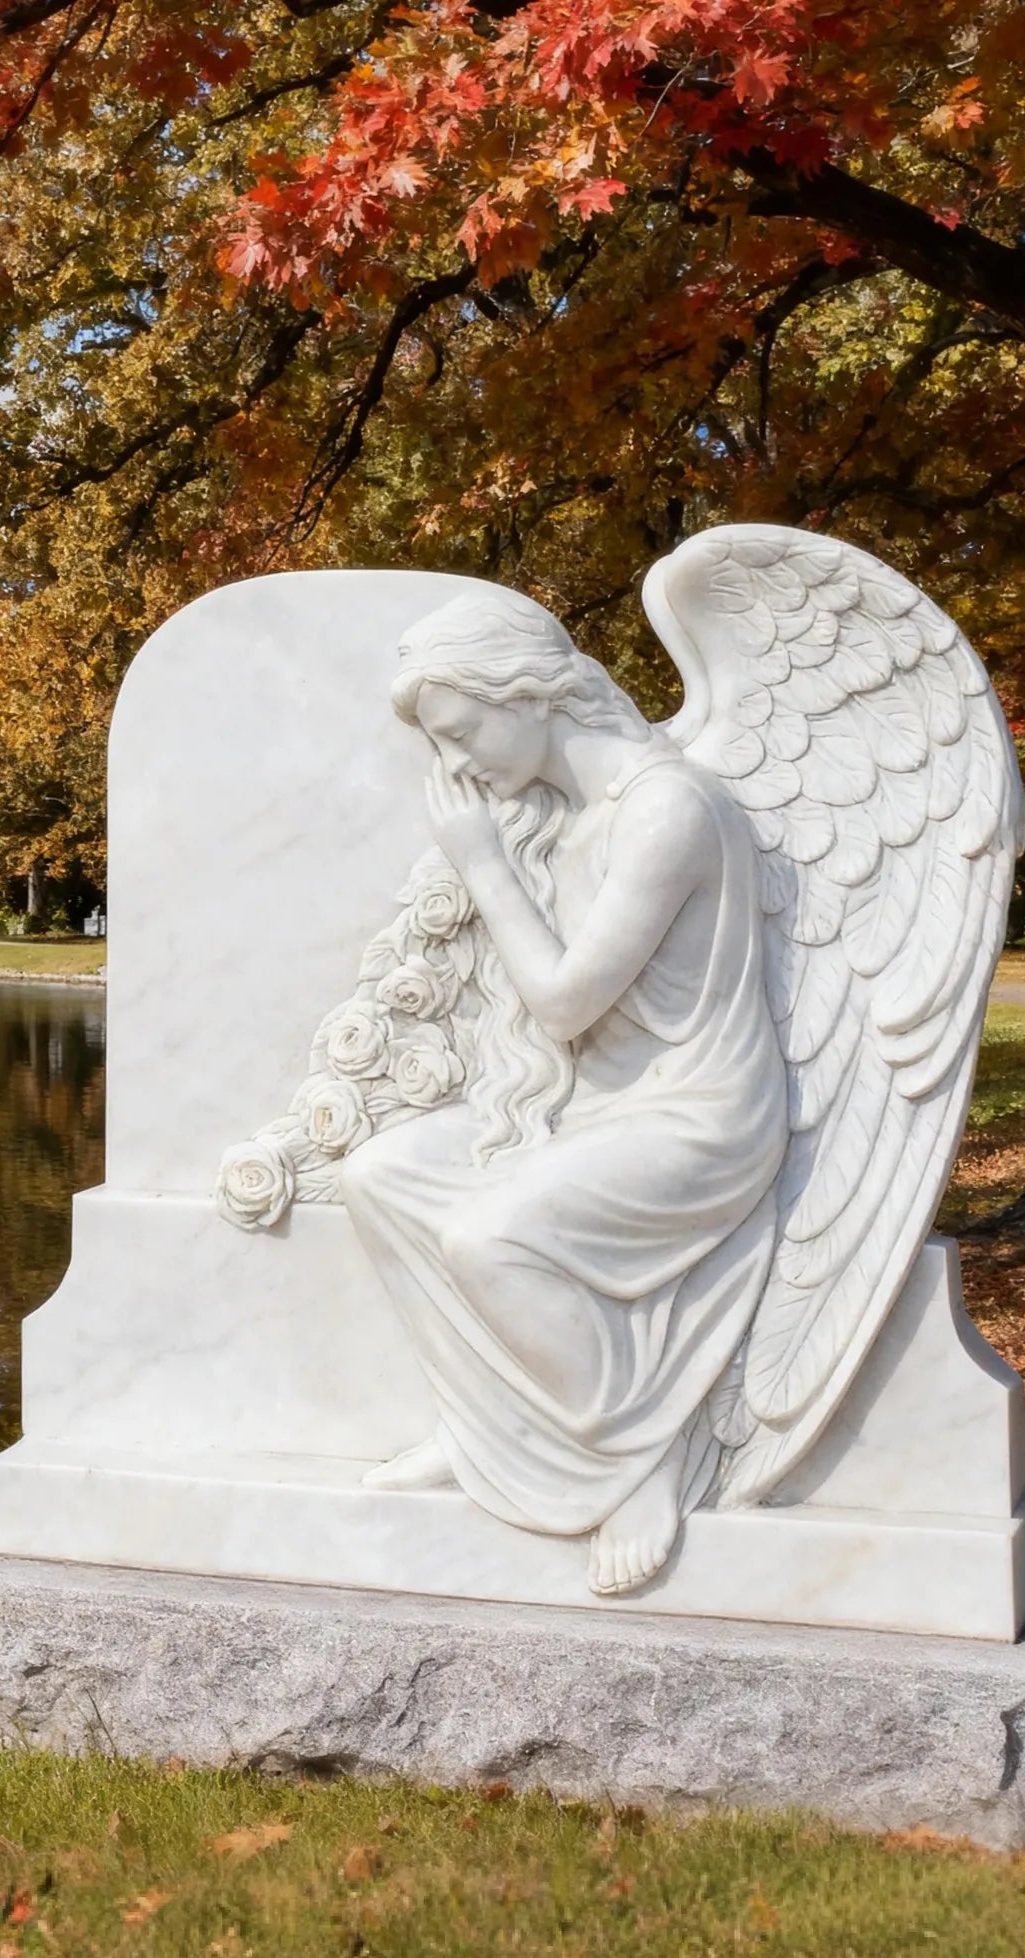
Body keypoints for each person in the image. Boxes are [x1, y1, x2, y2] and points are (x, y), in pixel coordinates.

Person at [339, 593, 788, 1594]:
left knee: (486, 1237)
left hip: (695, 1117)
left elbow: (563, 1002)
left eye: (459, 733)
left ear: (528, 693)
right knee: (380, 1174)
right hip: (599, 1106)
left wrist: (483, 865)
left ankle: (636, 1457)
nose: (453, 766)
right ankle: (492, 1428)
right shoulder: (572, 813)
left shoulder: (667, 806)